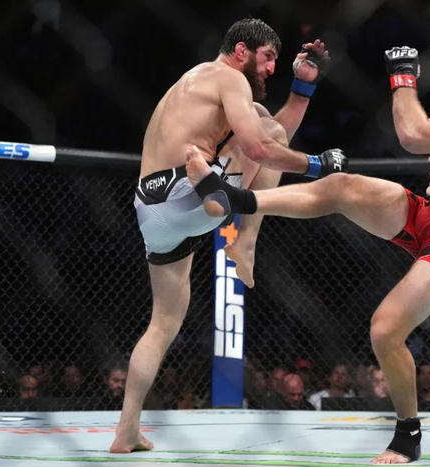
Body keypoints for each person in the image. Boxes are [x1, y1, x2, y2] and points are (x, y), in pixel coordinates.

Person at [187, 24, 430, 463]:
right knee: (343, 187)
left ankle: (408, 435)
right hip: (427, 211)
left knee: (386, 329)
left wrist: (402, 78)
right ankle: (239, 201)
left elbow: (414, 136)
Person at [110, 18, 346, 453]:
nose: (272, 68)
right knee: (263, 133)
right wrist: (318, 165)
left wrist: (303, 87)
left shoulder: (195, 83)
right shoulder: (228, 78)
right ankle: (241, 234)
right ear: (241, 51)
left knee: (162, 324)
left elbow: (272, 143)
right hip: (184, 190)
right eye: (268, 57)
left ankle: (126, 431)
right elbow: (261, 149)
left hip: (152, 208)